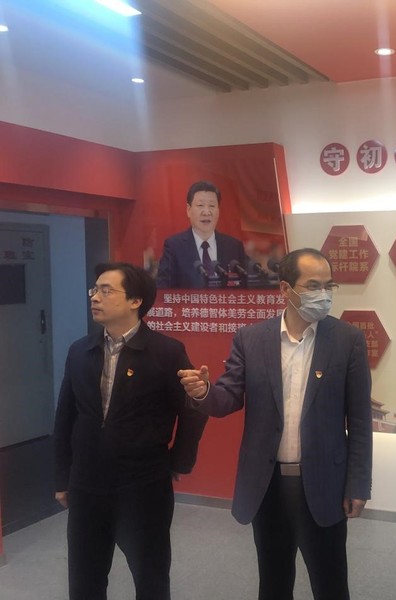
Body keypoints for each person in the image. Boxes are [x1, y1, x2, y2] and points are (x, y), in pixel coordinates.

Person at [179, 248, 372, 600]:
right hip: (267, 486)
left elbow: (359, 421)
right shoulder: (251, 339)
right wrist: (204, 392)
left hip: (323, 483)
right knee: (273, 583)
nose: (323, 294)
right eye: (313, 285)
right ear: (285, 289)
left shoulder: (347, 340)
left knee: (330, 585)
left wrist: (358, 483)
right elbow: (227, 397)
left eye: (328, 285)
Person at [53, 262, 207, 600]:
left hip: (143, 485)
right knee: (85, 579)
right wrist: (63, 477)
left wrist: (179, 462)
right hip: (87, 483)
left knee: (150, 577)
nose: (95, 297)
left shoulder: (167, 351)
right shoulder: (80, 350)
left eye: (106, 290)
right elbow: (65, 417)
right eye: (94, 289)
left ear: (136, 301)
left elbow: (191, 408)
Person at [156, 180, 248, 288]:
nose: (206, 212)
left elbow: (245, 288)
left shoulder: (234, 247)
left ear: (218, 210)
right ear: (188, 210)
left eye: (212, 206)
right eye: (200, 205)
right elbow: (163, 290)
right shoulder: (174, 247)